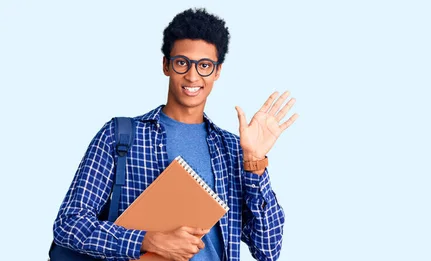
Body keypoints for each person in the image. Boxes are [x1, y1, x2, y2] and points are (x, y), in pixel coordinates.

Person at [52, 7, 297, 261]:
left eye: (204, 65)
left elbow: (268, 250)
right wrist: (147, 239)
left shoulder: (234, 150)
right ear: (166, 65)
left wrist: (255, 164)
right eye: (182, 63)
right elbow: (69, 224)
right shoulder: (119, 136)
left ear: (217, 72)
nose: (192, 76)